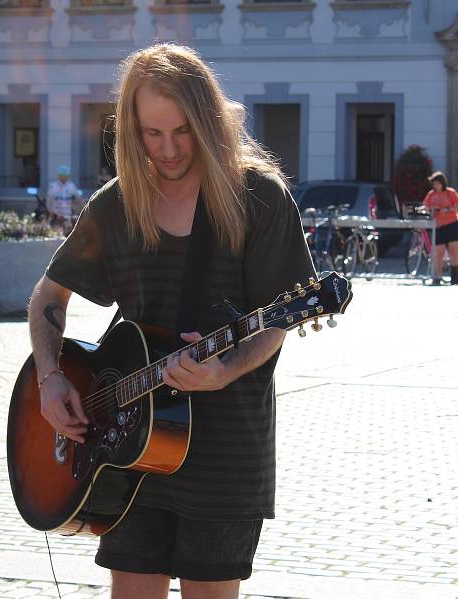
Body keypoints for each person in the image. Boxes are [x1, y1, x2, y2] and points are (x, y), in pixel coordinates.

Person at [27, 43, 315, 599]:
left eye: (181, 131)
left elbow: (278, 319)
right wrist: (50, 377)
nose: (167, 149)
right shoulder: (118, 204)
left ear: (208, 118)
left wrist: (227, 369)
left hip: (226, 447)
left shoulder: (257, 197)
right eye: (151, 134)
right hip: (128, 451)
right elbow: (48, 296)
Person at [422, 171, 458, 285]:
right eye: (434, 184)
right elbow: (425, 206)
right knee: (439, 252)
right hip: (438, 226)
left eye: (438, 183)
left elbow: (456, 205)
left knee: (454, 252)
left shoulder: (450, 193)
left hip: (452, 224)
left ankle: (455, 277)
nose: (436, 186)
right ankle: (437, 277)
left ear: (442, 183)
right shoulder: (431, 194)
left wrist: (448, 209)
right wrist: (432, 209)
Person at [46, 164, 83, 232]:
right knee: (55, 233)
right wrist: (53, 213)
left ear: (68, 176)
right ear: (59, 176)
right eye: (62, 176)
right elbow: (48, 203)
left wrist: (85, 210)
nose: (63, 178)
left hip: (67, 217)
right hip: (56, 217)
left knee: (70, 229)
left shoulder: (71, 186)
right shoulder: (53, 187)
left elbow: (80, 200)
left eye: (65, 176)